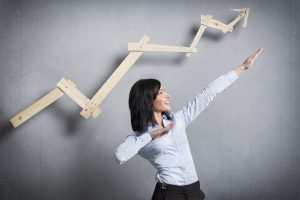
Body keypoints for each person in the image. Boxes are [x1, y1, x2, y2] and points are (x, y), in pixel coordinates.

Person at [114, 48, 263, 200]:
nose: (168, 95)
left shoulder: (178, 120)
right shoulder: (139, 137)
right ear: (147, 100)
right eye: (161, 92)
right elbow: (120, 155)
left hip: (193, 191)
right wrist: (150, 136)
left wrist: (243, 66)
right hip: (168, 193)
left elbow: (209, 93)